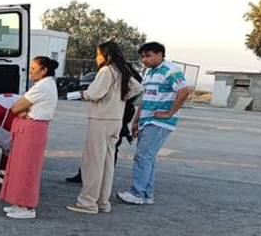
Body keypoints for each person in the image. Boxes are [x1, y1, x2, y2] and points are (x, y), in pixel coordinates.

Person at [67, 41, 143, 214]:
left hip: (100, 119)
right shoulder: (121, 71)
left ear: (106, 55)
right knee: (107, 162)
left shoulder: (106, 71)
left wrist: (82, 94)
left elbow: (94, 93)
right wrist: (118, 99)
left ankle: (87, 202)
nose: (96, 58)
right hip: (115, 120)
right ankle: (102, 202)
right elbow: (138, 87)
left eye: (98, 54)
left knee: (93, 162)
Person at [118, 41, 192, 206]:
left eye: (148, 55)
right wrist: (136, 120)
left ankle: (137, 193)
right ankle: (146, 194)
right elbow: (144, 99)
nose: (144, 59)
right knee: (148, 158)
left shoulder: (171, 70)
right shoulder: (149, 74)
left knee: (143, 156)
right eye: (143, 56)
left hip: (159, 121)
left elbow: (184, 91)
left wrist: (170, 113)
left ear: (160, 54)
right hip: (147, 119)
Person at [0, 56, 58, 219]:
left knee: (27, 168)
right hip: (31, 127)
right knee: (20, 166)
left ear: (44, 70)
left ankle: (27, 206)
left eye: (33, 69)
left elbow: (16, 107)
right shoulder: (45, 84)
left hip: (33, 129)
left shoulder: (43, 86)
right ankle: (19, 202)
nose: (30, 72)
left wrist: (22, 110)